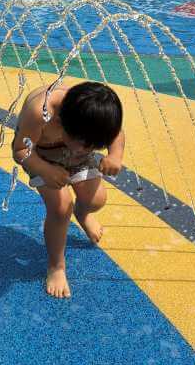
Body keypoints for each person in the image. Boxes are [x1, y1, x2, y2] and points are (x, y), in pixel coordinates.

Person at [12, 81, 125, 299]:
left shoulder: (94, 121)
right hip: (40, 155)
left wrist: (114, 156)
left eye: (93, 146)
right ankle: (56, 266)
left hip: (75, 155)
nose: (85, 149)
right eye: (83, 143)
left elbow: (117, 134)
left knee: (96, 200)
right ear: (62, 122)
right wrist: (45, 169)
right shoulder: (41, 112)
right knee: (61, 208)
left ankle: (82, 214)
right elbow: (21, 150)